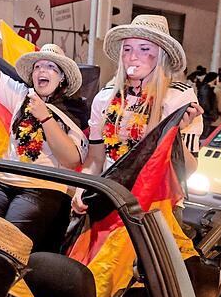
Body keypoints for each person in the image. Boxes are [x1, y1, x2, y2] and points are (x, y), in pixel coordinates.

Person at [0, 18, 87, 252]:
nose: (42, 71)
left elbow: (71, 160)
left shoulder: (73, 111)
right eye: (38, 67)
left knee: (7, 246)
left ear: (62, 77)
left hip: (44, 188)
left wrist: (45, 118)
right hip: (3, 181)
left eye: (50, 67)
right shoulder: (20, 95)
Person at [73, 15, 203, 214]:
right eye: (127, 49)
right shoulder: (105, 98)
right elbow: (96, 158)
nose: (133, 57)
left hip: (157, 207)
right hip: (110, 198)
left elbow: (188, 170)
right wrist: (84, 187)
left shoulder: (179, 98)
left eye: (144, 49)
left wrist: (172, 133)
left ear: (161, 55)